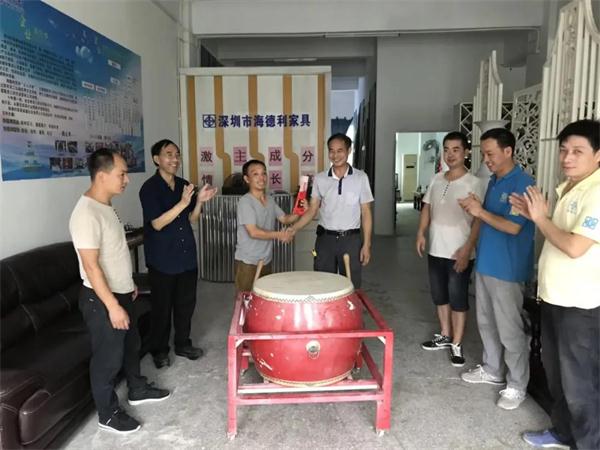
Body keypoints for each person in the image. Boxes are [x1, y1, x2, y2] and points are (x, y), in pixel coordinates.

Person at [510, 119, 600, 450]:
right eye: (563, 150)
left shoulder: (597, 192)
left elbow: (575, 247)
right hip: (554, 298)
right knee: (557, 375)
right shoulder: (569, 187)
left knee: (580, 383)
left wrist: (540, 219)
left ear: (598, 155)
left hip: (581, 305)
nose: (567, 158)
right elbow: (556, 234)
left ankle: (589, 444)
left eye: (577, 151)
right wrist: (536, 216)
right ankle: (563, 432)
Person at [69, 149, 169, 435]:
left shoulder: (105, 206)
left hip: (121, 291)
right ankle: (108, 414)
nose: (127, 179)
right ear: (102, 176)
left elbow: (112, 253)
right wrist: (113, 306)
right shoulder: (86, 214)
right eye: (122, 174)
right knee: (108, 359)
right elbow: (91, 266)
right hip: (102, 299)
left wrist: (128, 283)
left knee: (131, 345)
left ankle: (137, 388)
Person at [458, 128, 535, 410]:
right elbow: (488, 219)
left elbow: (513, 227)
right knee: (487, 322)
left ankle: (517, 385)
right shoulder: (494, 181)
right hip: (487, 263)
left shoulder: (523, 184)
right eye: (483, 154)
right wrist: (476, 211)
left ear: (508, 151)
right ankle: (492, 369)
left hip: (508, 269)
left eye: (490, 154)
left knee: (509, 329)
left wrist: (480, 211)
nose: (486, 160)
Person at [139, 139, 217, 369]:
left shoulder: (184, 185)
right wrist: (183, 203)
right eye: (169, 154)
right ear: (157, 159)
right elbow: (157, 224)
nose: (175, 159)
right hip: (162, 258)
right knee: (162, 308)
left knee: (185, 305)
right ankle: (160, 350)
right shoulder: (149, 188)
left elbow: (192, 218)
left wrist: (199, 202)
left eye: (177, 154)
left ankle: (183, 343)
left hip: (186, 256)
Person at [416, 132, 484, 367]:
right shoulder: (437, 179)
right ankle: (445, 334)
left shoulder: (474, 183)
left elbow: (478, 220)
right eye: (446, 149)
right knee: (439, 295)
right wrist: (421, 233)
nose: (450, 154)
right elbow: (427, 207)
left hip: (459, 251)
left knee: (458, 298)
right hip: (436, 248)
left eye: (456, 149)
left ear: (466, 152)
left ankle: (457, 342)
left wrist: (468, 249)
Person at [288, 133, 373, 288]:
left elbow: (366, 212)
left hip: (351, 240)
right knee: (323, 283)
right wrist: (294, 228)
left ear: (349, 151)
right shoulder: (320, 179)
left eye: (340, 151)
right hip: (325, 240)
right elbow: (312, 210)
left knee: (351, 284)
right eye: (332, 151)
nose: (335, 155)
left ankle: (349, 305)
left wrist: (366, 244)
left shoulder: (361, 178)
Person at [234, 159, 301, 291]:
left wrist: (300, 210)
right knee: (246, 299)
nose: (261, 178)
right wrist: (280, 235)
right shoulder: (245, 202)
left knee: (263, 297)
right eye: (255, 174)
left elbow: (285, 219)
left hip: (266, 260)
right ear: (247, 179)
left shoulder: (270, 200)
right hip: (248, 262)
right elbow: (253, 232)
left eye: (263, 173)